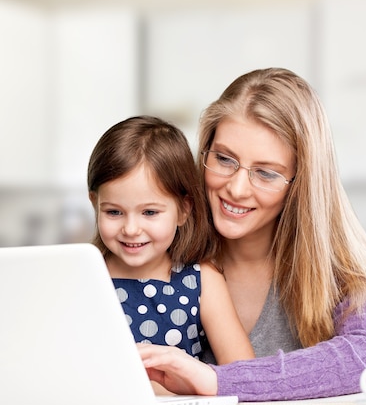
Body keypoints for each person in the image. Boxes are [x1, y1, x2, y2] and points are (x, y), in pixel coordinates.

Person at [137, 68, 366, 401]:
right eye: (223, 159)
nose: (235, 188)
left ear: (301, 183)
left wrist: (218, 381)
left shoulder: (337, 271)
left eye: (265, 173)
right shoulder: (157, 247)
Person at [87, 115, 254, 365]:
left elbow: (244, 372)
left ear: (183, 210)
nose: (131, 229)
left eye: (150, 213)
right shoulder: (85, 275)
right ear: (95, 204)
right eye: (114, 212)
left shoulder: (201, 280)